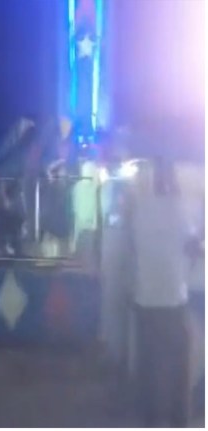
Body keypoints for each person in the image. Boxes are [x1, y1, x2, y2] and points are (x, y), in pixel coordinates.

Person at [125, 157, 192, 427]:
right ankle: (178, 422)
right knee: (178, 372)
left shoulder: (140, 211)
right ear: (173, 180)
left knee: (149, 369)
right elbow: (191, 244)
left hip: (145, 302)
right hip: (174, 302)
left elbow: (132, 248)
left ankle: (151, 421)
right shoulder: (180, 210)